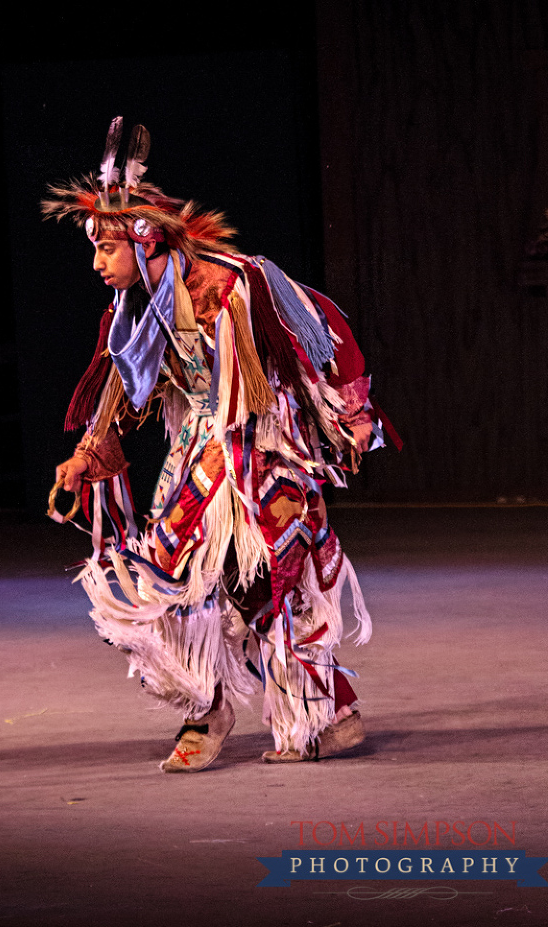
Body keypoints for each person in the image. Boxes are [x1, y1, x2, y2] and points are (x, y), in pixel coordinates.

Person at [43, 117, 397, 772]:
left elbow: (324, 323)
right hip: (197, 457)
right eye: (94, 248)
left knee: (264, 585)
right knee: (179, 582)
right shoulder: (130, 311)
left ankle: (316, 715)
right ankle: (214, 708)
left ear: (146, 242)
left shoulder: (235, 284)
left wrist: (352, 410)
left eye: (106, 249)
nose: (95, 263)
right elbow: (120, 388)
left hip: (261, 452)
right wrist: (91, 451)